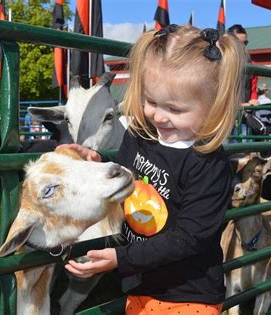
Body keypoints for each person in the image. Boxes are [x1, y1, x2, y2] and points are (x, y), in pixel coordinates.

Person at [60, 24, 246, 315]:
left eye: (174, 109)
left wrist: (121, 258)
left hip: (189, 295)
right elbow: (123, 177)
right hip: (141, 284)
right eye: (151, 101)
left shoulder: (209, 164)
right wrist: (96, 162)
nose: (158, 115)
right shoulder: (140, 135)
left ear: (214, 105)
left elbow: (188, 238)